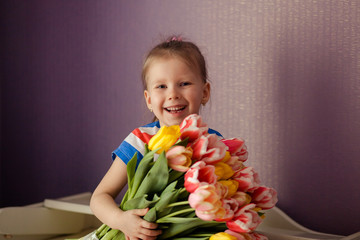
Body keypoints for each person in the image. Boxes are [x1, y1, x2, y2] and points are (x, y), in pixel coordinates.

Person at [90, 36, 222, 240]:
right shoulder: (141, 140)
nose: (173, 94)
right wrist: (121, 221)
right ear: (149, 99)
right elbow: (99, 198)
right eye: (161, 86)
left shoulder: (214, 145)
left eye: (184, 83)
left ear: (205, 92)